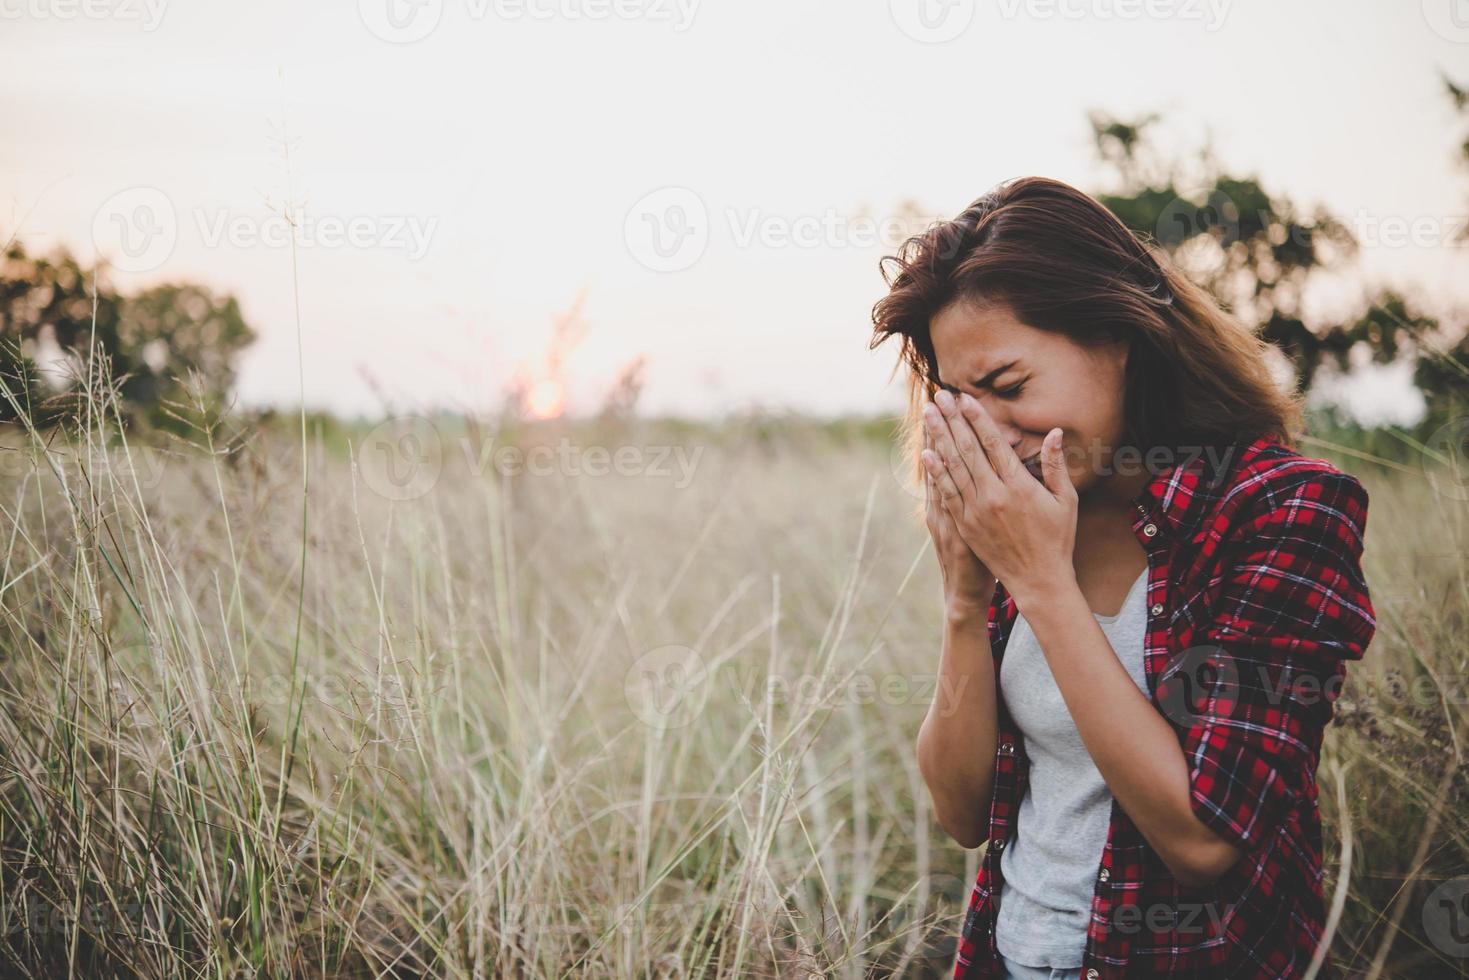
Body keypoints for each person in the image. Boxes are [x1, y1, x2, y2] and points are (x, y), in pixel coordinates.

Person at [869, 176, 1377, 979]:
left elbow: (1204, 842)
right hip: (1006, 957)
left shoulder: (1280, 511)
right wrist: (966, 600)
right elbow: (961, 813)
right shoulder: (1024, 507)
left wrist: (1039, 582)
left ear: (1118, 334)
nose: (992, 437)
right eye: (965, 404)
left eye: (1009, 387)